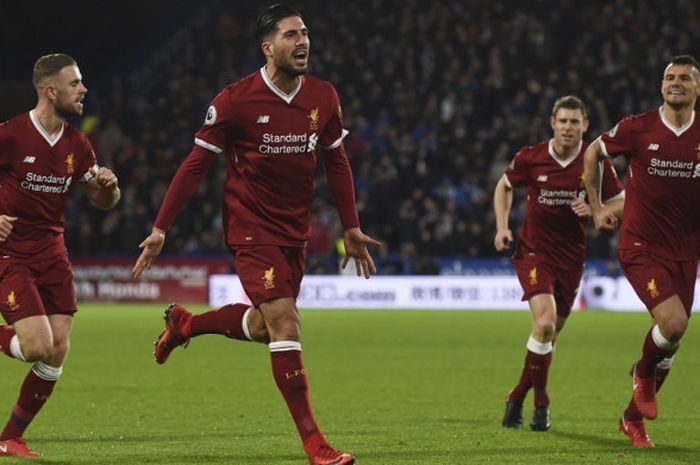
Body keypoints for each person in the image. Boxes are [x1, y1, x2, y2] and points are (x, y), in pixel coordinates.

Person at [131, 4, 378, 465]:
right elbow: (196, 164)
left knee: (267, 328)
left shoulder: (323, 96)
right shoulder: (234, 101)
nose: (302, 41)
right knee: (286, 321)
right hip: (250, 229)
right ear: (268, 48)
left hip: (294, 233)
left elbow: (337, 162)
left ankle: (186, 324)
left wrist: (352, 226)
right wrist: (161, 227)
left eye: (305, 33)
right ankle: (315, 445)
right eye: (290, 35)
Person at [0, 53, 120, 457]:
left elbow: (105, 201)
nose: (83, 89)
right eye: (75, 83)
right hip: (10, 253)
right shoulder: (11, 135)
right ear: (51, 91)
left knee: (57, 349)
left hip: (53, 254)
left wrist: (109, 186)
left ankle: (10, 437)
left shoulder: (77, 144)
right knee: (35, 346)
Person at [583, 54, 700, 448]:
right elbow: (593, 153)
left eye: (685, 77)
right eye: (670, 77)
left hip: (686, 251)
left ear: (697, 88)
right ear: (661, 86)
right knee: (674, 324)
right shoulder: (637, 128)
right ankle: (643, 374)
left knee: (670, 342)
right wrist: (597, 205)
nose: (676, 82)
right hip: (640, 245)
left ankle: (631, 418)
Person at [494, 95, 624, 432]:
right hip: (535, 253)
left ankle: (518, 394)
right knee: (547, 323)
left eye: (574, 122)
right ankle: (541, 403)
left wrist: (598, 210)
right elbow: (504, 185)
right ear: (552, 122)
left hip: (571, 259)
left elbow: (621, 200)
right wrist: (502, 226)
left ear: (585, 126)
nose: (568, 127)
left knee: (547, 336)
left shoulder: (593, 162)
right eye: (562, 121)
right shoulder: (531, 157)